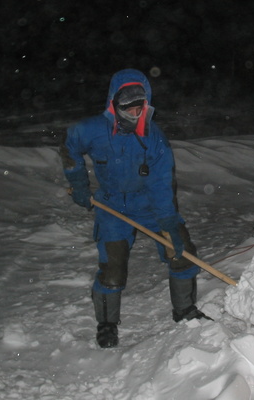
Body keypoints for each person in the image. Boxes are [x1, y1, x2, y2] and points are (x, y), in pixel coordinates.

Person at [60, 68, 210, 348]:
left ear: (147, 104)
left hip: (149, 206)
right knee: (113, 268)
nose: (134, 113)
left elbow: (162, 184)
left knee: (181, 251)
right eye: (126, 107)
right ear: (113, 104)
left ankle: (185, 311)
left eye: (139, 106)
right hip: (112, 206)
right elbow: (69, 145)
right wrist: (78, 183)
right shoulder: (93, 130)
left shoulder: (154, 139)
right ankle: (106, 323)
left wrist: (168, 222)